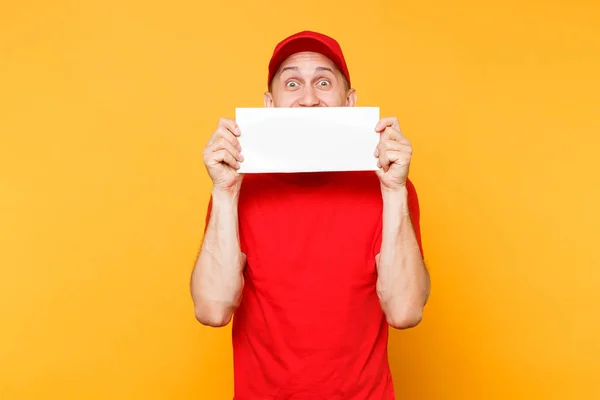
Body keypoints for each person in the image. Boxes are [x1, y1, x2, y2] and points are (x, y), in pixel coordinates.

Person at [190, 30, 430, 399]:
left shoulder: (387, 186)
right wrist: (224, 193)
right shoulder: (237, 188)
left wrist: (395, 191)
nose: (308, 99)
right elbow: (212, 309)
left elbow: (405, 312)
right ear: (270, 105)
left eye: (322, 82)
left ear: (349, 102)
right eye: (292, 83)